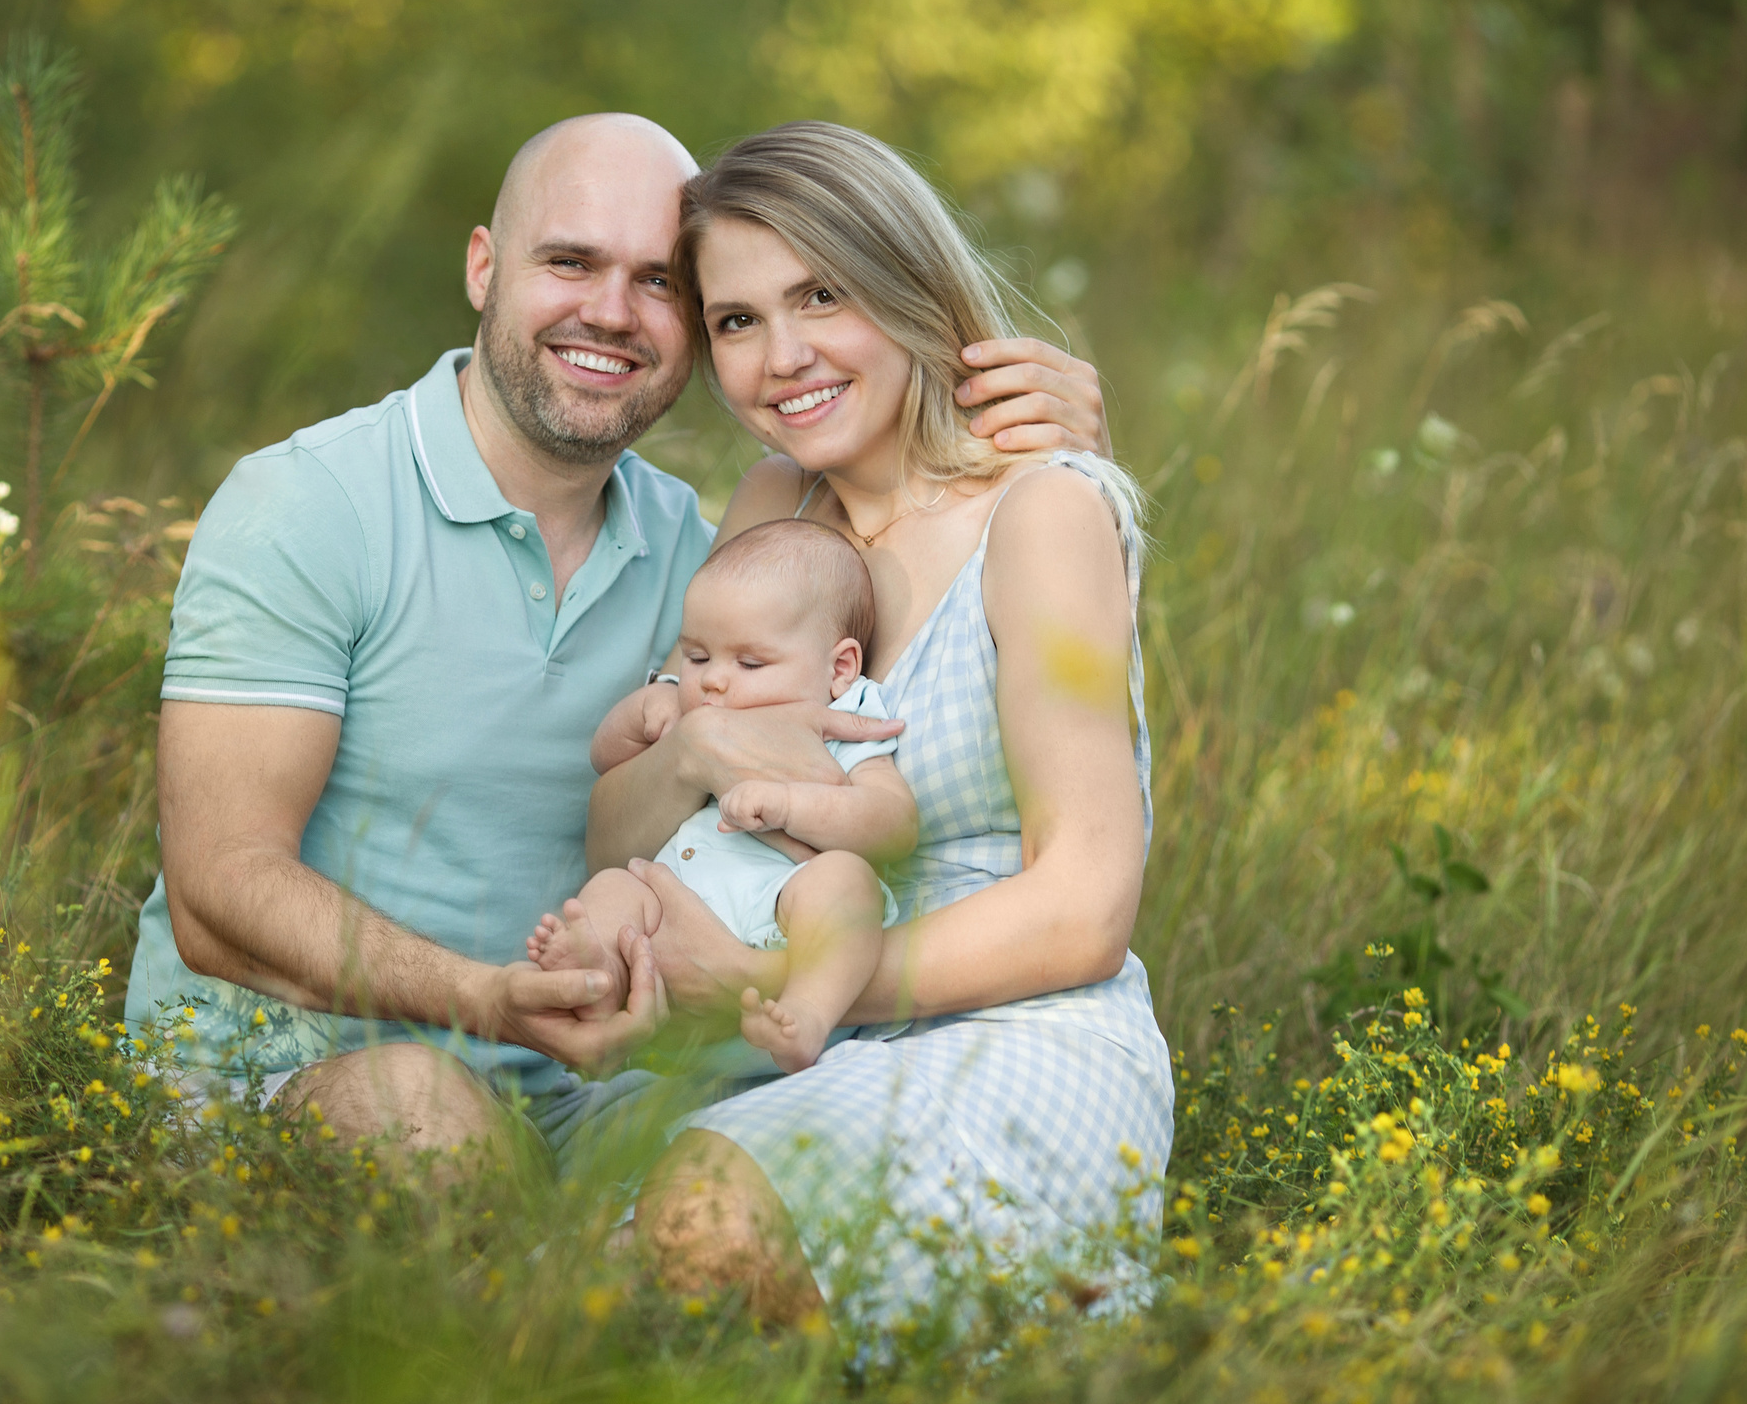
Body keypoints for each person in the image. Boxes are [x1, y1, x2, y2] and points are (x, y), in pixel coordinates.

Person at [125, 112, 1112, 1164]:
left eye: (656, 284)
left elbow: (961, 569)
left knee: (737, 1197)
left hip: (588, 1096)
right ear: (482, 267)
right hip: (293, 1071)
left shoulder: (716, 563)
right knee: (425, 1117)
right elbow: (218, 888)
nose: (610, 312)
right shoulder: (313, 502)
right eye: (569, 262)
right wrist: (486, 1002)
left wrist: (1059, 461)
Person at [591, 121, 1172, 1327]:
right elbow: (616, 841)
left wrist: (776, 981)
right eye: (739, 321)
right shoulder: (773, 505)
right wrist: (693, 746)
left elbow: (1085, 909)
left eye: (823, 295)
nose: (782, 356)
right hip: (780, 1037)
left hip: (1009, 1031)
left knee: (699, 1224)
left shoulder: (1041, 512)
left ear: (906, 288)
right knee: (540, 1275)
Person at [528, 518, 916, 1075]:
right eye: (697, 657)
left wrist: (789, 806)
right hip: (674, 904)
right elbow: (605, 760)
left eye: (750, 663)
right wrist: (646, 714)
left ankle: (805, 1012)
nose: (713, 681)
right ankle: (600, 977)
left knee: (844, 885)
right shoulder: (693, 708)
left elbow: (893, 823)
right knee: (613, 887)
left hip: (782, 905)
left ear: (839, 668)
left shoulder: (846, 719)